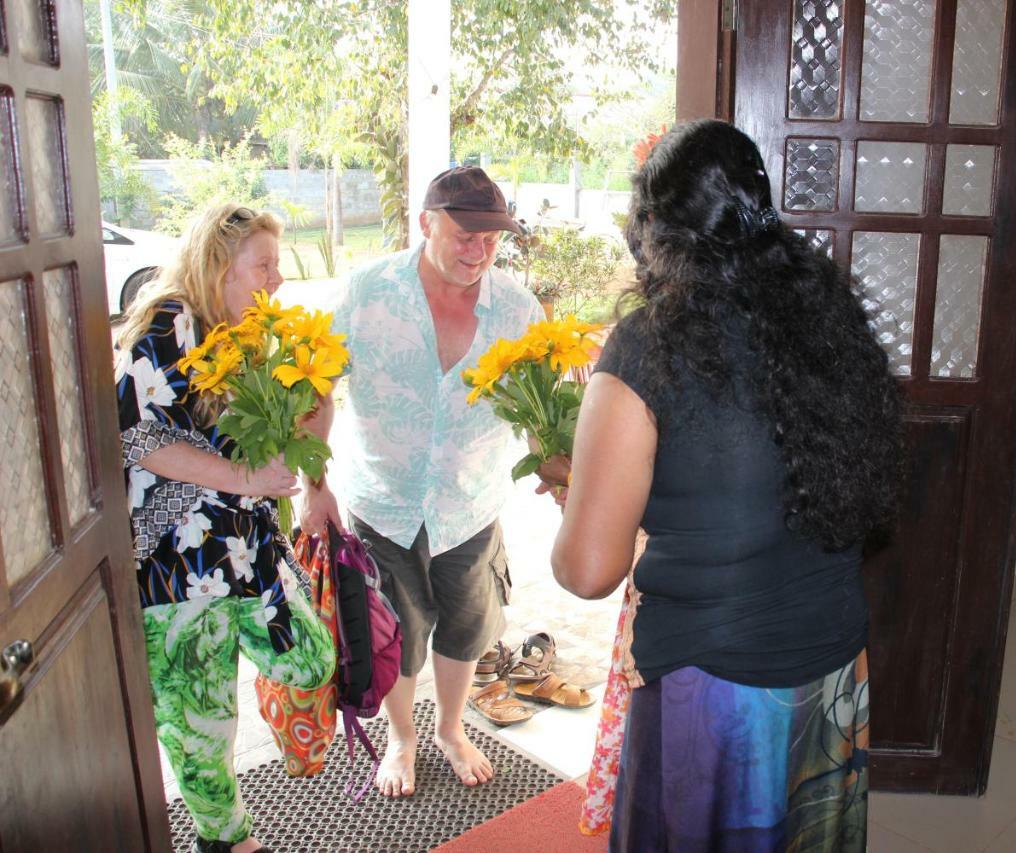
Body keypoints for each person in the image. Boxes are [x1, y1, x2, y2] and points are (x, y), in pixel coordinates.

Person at [548, 120, 904, 851]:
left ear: (655, 229)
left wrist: (577, 488)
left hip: (719, 691)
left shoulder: (648, 346)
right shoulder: (825, 318)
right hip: (833, 666)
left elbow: (587, 568)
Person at [299, 166, 541, 794]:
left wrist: (557, 466)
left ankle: (450, 729)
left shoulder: (516, 306)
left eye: (492, 240)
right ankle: (403, 739)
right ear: (425, 222)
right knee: (395, 632)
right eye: (465, 235)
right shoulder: (367, 291)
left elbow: (543, 401)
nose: (479, 252)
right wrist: (313, 485)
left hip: (471, 502)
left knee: (465, 628)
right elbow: (319, 385)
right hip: (384, 502)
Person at [115, 203, 336, 853]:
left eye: (278, 264)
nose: (277, 279)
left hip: (244, 546)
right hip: (177, 559)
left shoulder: (243, 336)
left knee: (311, 655)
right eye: (263, 264)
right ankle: (228, 839)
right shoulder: (170, 319)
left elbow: (287, 447)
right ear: (217, 263)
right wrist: (243, 479)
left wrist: (317, 404)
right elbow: (137, 436)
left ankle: (241, 714)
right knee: (199, 720)